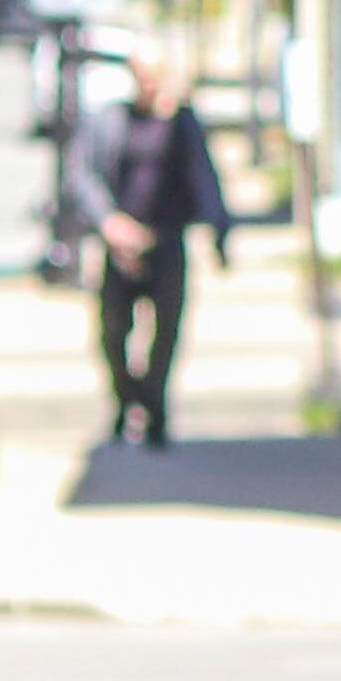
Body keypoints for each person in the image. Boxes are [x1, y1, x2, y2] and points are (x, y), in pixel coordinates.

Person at [86, 58, 232, 447]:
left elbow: (205, 177)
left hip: (165, 238)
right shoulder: (114, 119)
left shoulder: (183, 124)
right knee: (112, 331)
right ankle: (129, 400)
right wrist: (110, 223)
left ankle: (154, 407)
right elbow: (85, 175)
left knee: (165, 332)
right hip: (120, 239)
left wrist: (219, 231)